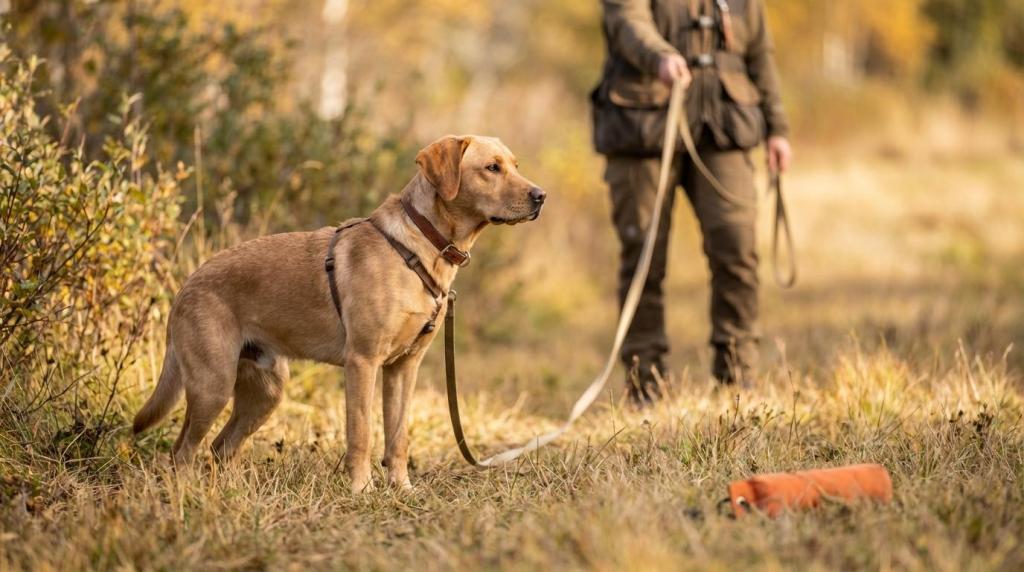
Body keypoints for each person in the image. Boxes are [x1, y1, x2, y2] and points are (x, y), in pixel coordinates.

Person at [591, 0, 793, 403]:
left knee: (737, 250)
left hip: (724, 129)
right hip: (643, 130)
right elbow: (629, 23)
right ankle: (645, 386)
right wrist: (661, 57)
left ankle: (737, 380)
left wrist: (777, 127)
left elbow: (760, 55)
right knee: (643, 259)